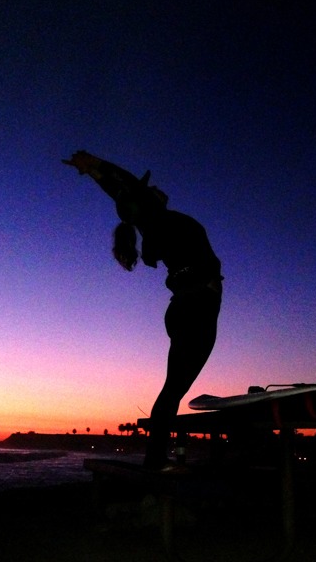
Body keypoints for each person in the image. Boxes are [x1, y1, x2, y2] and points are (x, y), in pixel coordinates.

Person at [63, 150, 222, 470]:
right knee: (173, 389)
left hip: (184, 309)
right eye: (149, 191)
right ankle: (154, 460)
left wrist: (94, 173)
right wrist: (94, 165)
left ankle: (155, 457)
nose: (157, 190)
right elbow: (127, 187)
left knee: (173, 388)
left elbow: (124, 193)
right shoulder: (156, 221)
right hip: (195, 308)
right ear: (145, 201)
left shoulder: (152, 226)